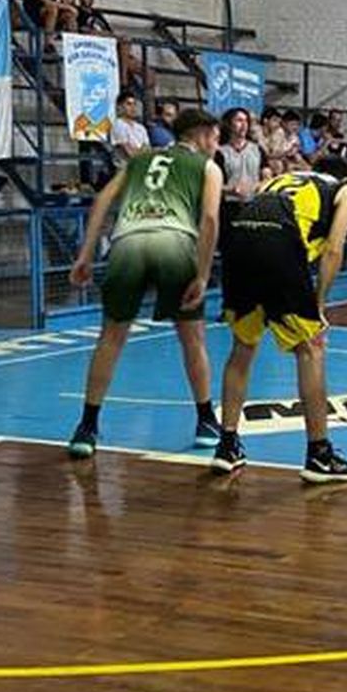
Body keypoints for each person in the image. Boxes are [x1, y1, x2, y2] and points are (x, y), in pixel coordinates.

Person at [66, 108, 224, 459]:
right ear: (200, 134)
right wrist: (201, 273)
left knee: (111, 338)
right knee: (192, 338)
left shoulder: (139, 160)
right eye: (215, 137)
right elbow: (211, 218)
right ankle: (205, 420)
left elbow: (103, 200)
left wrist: (85, 254)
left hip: (128, 244)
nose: (217, 145)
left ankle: (87, 427)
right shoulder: (208, 167)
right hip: (175, 243)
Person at [210, 156, 347, 481]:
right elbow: (334, 250)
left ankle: (227, 445)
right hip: (277, 242)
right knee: (311, 348)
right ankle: (319, 455)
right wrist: (319, 304)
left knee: (243, 347)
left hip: (238, 239)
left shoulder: (281, 179)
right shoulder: (344, 191)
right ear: (345, 177)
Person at [109, 90, 150, 165]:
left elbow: (147, 149)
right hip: (125, 167)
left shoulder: (141, 128)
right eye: (129, 104)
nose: (133, 107)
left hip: (142, 164)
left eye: (134, 104)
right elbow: (129, 152)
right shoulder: (119, 125)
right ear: (120, 107)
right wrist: (141, 151)